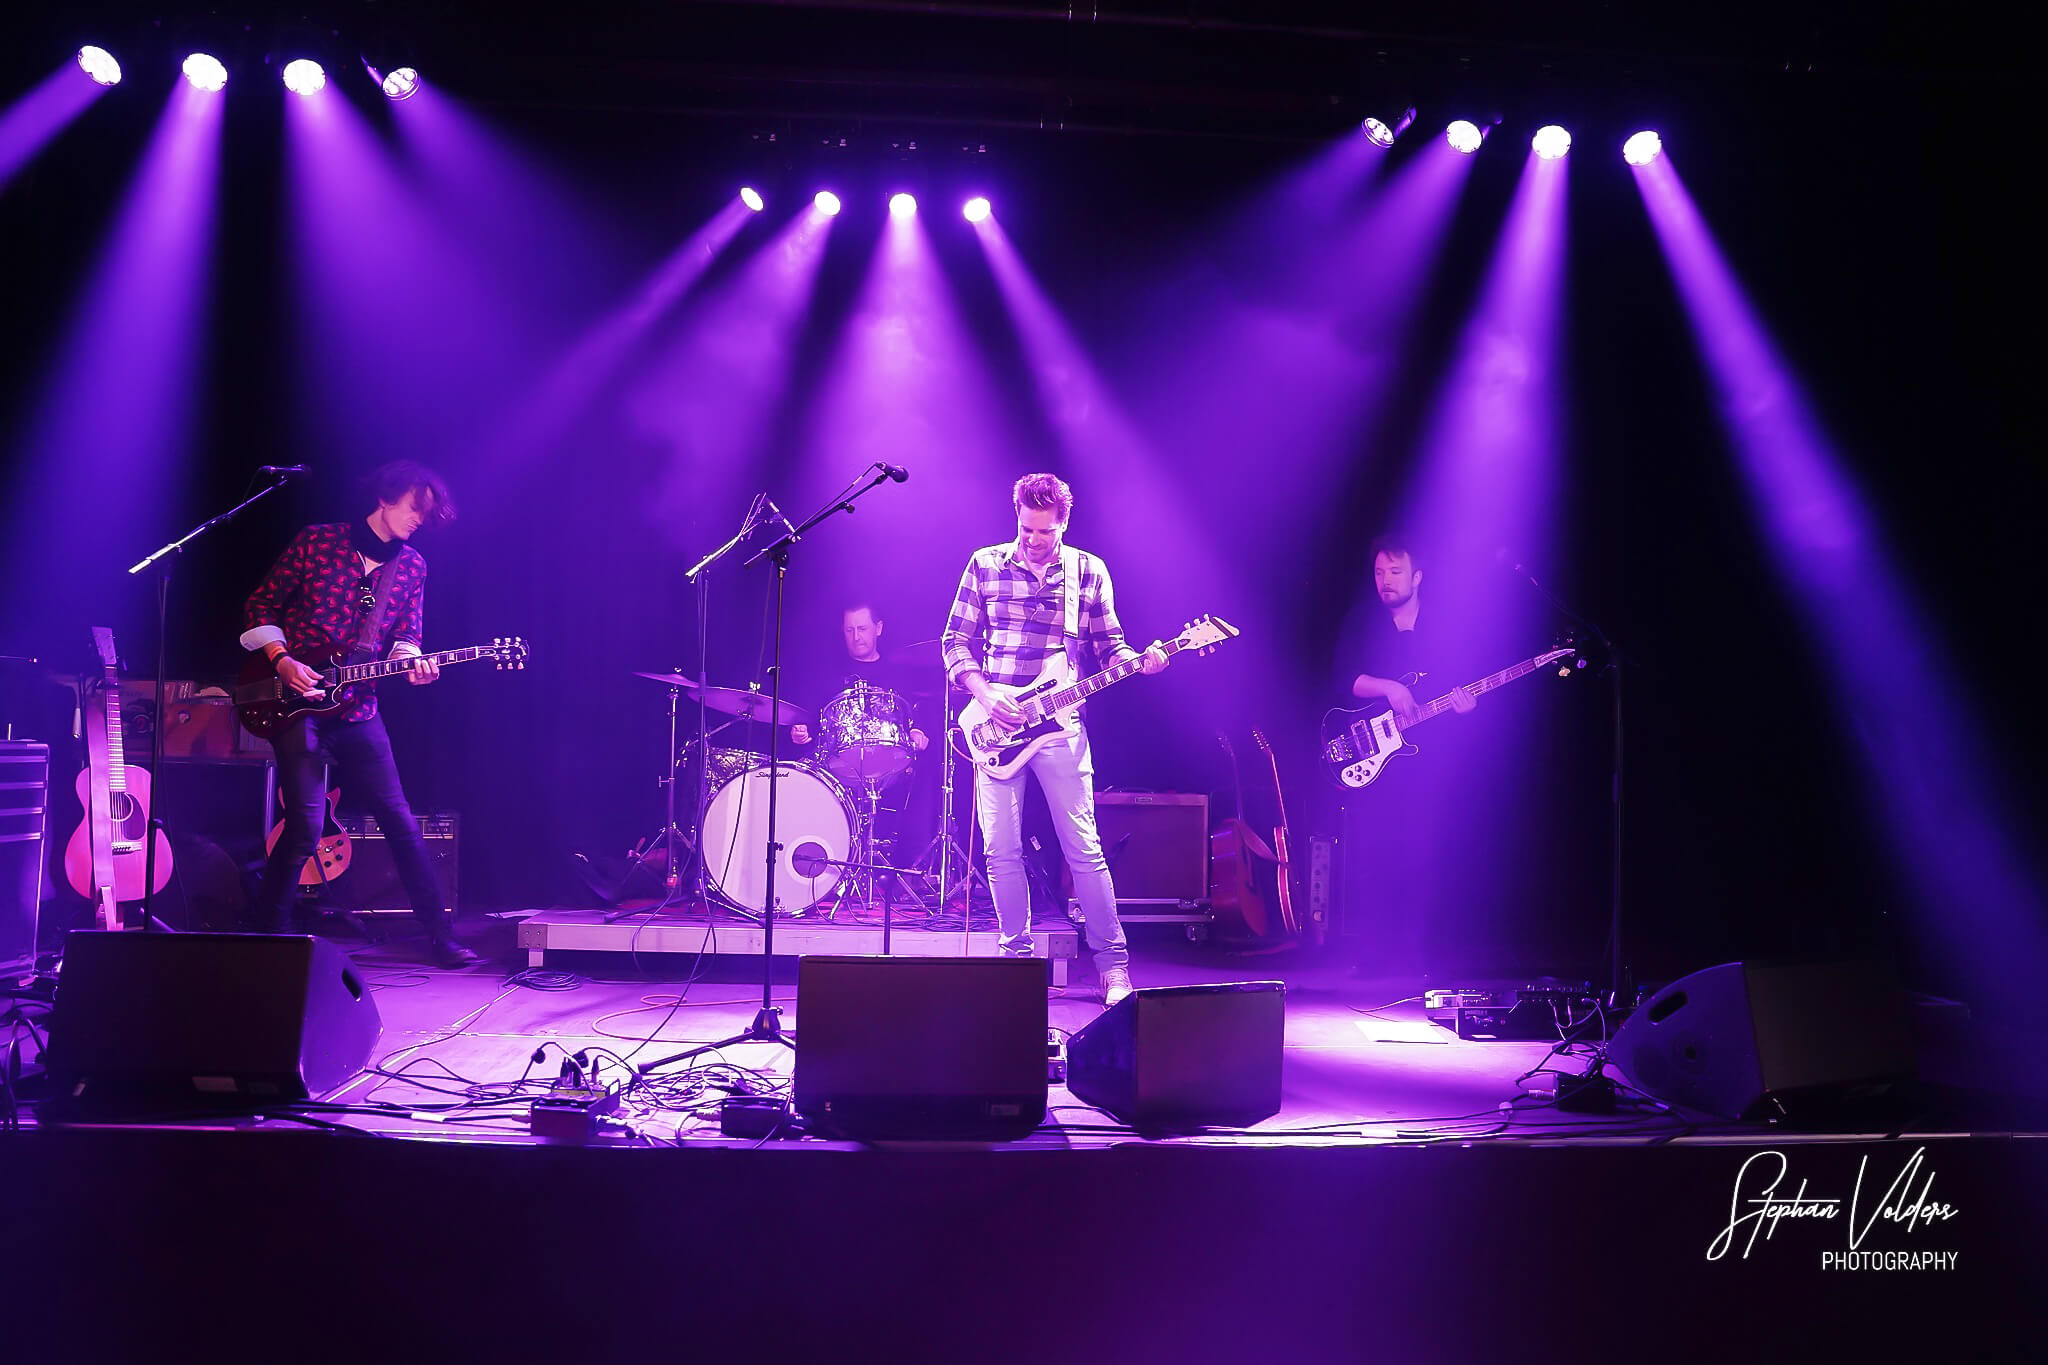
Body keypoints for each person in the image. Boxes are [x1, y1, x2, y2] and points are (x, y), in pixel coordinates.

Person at [940, 473, 1168, 1006]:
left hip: (1060, 728)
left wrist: (1142, 661)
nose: (1033, 540)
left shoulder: (1088, 571)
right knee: (1001, 849)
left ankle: (1113, 967)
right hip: (995, 725)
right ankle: (1015, 964)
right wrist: (983, 692)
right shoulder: (985, 564)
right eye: (1026, 528)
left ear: (1064, 524)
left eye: (1044, 532)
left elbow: (1110, 646)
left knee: (1083, 848)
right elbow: (954, 641)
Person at [240, 461, 478, 968]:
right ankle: (270, 936)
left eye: (426, 514)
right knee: (304, 827)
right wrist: (282, 660)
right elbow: (260, 606)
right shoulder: (318, 542)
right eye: (414, 508)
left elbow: (407, 636)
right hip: (298, 703)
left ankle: (441, 937)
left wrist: (413, 661)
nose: (419, 519)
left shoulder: (411, 566)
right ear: (386, 499)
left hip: (359, 706)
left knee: (400, 820)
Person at [1336, 534, 1476, 979]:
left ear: (1417, 577)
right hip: (1376, 760)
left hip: (1426, 764)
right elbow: (1345, 679)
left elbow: (1461, 680)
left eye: (1395, 572)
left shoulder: (1445, 623)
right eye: (1379, 572)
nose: (1385, 580)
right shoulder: (1361, 621)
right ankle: (1371, 954)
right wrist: (1390, 687)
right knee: (1372, 856)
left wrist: (1466, 706)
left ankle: (1419, 955)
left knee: (1422, 855)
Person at [790, 602, 938, 882]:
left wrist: (918, 731)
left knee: (926, 772)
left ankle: (910, 871)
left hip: (891, 766)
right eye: (849, 630)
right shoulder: (827, 673)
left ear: (878, 629)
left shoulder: (900, 672)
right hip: (839, 766)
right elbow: (808, 720)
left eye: (862, 628)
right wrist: (802, 732)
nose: (856, 636)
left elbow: (915, 714)